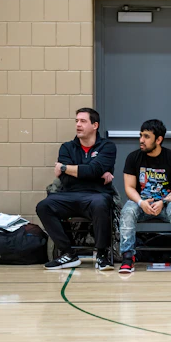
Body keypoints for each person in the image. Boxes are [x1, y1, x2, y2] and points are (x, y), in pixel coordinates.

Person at [37, 108, 116, 270]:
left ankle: (102, 255)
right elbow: (67, 178)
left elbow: (91, 170)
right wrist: (94, 172)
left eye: (83, 121)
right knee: (44, 206)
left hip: (96, 195)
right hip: (69, 195)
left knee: (101, 204)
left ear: (95, 125)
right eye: (76, 121)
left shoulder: (107, 147)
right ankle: (68, 254)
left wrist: (65, 167)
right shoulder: (66, 148)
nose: (78, 125)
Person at [118, 119, 171, 274]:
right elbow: (129, 187)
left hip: (166, 204)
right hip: (141, 204)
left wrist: (163, 202)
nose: (141, 140)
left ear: (159, 139)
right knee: (128, 210)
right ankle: (128, 258)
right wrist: (141, 202)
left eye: (146, 136)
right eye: (141, 135)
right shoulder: (133, 158)